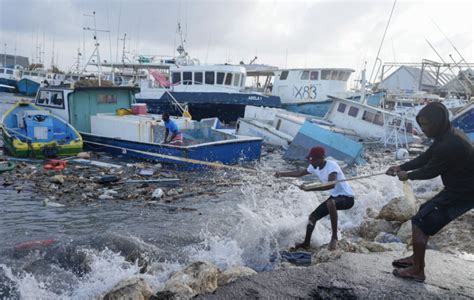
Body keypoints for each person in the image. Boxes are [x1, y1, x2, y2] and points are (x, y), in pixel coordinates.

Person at [386, 102, 474, 282]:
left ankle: (418, 270)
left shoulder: (448, 144)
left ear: (438, 121)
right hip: (460, 188)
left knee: (420, 221)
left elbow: (430, 170)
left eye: (426, 124)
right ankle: (415, 258)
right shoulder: (447, 135)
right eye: (421, 125)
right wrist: (401, 166)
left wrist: (406, 175)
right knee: (422, 212)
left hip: (465, 192)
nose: (423, 129)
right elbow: (426, 158)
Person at [275, 146, 355, 251]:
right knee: (312, 217)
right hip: (335, 197)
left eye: (313, 160)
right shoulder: (314, 166)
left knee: (330, 203)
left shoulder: (332, 166)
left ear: (321, 158)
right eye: (310, 160)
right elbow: (299, 173)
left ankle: (334, 238)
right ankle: (306, 243)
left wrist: (310, 188)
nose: (311, 162)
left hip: (347, 199)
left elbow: (331, 185)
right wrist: (281, 174)